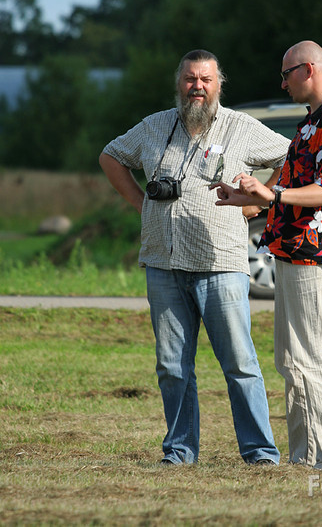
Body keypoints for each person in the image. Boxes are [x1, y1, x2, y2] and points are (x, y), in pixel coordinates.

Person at [99, 49, 291, 466]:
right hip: (163, 264)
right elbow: (110, 156)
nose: (197, 87)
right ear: (179, 83)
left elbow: (292, 157)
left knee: (240, 363)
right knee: (171, 366)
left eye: (206, 79)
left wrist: (258, 202)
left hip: (221, 264)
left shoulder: (242, 127)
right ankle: (180, 451)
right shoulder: (154, 126)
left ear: (219, 83)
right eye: (190, 79)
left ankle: (260, 453)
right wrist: (140, 204)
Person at [212, 40, 322, 469]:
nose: (281, 83)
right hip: (297, 250)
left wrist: (271, 192)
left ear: (309, 69)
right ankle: (305, 455)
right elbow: (289, 186)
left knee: (310, 357)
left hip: (315, 253)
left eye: (286, 74)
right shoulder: (313, 121)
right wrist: (249, 197)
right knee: (291, 358)